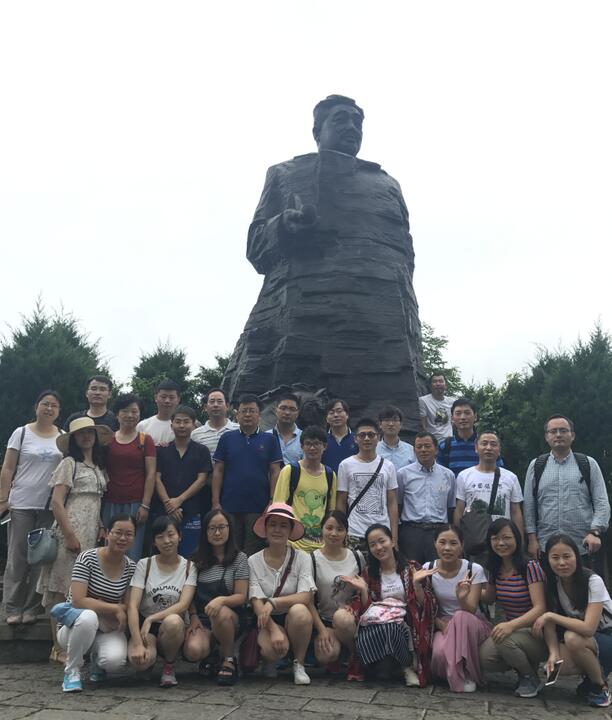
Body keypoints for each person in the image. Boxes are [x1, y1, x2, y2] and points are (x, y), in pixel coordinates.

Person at [222, 94, 422, 429]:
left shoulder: (387, 184)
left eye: (357, 122)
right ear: (317, 131)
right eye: (341, 119)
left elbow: (406, 256)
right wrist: (284, 224)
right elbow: (255, 247)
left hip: (380, 331)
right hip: (302, 320)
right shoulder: (285, 174)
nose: (351, 127)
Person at [38, 417, 112, 663]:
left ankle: (74, 643)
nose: (86, 437)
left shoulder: (98, 466)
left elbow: (96, 501)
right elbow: (57, 502)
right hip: (70, 528)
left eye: (90, 432)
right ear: (73, 439)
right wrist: (69, 534)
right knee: (61, 588)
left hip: (91, 532)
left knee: (79, 588)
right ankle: (57, 646)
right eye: (81, 433)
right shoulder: (69, 464)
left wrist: (101, 526)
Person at [0, 390, 63, 625]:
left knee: (42, 558)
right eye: (45, 404)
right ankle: (12, 607)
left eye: (54, 405)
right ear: (36, 406)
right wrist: (3, 498)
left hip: (49, 506)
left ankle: (32, 608)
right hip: (21, 503)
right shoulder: (22, 433)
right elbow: (8, 467)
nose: (49, 408)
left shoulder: (62, 437)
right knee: (17, 557)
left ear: (59, 411)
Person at [347, 523, 437, 687]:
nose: (378, 547)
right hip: (376, 626)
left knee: (391, 627)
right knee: (373, 633)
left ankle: (407, 666)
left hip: (406, 625)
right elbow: (365, 611)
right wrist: (364, 590)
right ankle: (381, 664)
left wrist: (417, 585)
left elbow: (426, 604)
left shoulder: (412, 568)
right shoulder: (369, 573)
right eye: (373, 544)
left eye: (382, 541)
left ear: (392, 541)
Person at [56, 513, 137, 693]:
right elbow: (78, 600)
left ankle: (97, 662)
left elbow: (127, 605)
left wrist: (98, 603)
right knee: (88, 617)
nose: (123, 538)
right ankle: (72, 671)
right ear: (107, 533)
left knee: (115, 661)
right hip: (73, 626)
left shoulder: (131, 567)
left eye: (129, 534)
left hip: (107, 626)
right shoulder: (87, 558)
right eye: (118, 532)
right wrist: (113, 607)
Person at [524, 415, 610, 576]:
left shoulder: (587, 464)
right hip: (546, 547)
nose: (558, 435)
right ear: (546, 437)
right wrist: (532, 539)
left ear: (573, 435)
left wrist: (595, 532)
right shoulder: (536, 466)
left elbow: (601, 502)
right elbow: (529, 506)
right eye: (553, 431)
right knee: (549, 590)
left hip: (583, 546)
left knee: (585, 589)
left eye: (563, 431)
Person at [533, 533, 612, 708]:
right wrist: (553, 653)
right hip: (587, 640)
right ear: (548, 560)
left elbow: (589, 628)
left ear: (576, 556)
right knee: (559, 665)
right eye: (555, 558)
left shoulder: (593, 581)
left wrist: (550, 615)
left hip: (606, 636)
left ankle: (600, 687)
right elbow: (550, 628)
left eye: (567, 556)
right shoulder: (553, 583)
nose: (562, 563)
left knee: (571, 637)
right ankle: (590, 678)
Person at [248, 503, 316, 685]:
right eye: (272, 524)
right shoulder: (253, 561)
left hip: (291, 614)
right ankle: (269, 660)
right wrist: (273, 629)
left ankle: (299, 663)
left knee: (300, 611)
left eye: (283, 525)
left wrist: (273, 602)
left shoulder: (302, 558)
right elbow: (256, 600)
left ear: (290, 531)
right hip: (266, 618)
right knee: (272, 649)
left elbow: (305, 596)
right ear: (265, 528)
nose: (277, 530)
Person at [479, 518, 548, 698]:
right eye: (495, 538)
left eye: (506, 538)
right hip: (515, 631)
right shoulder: (496, 568)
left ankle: (530, 677)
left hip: (537, 631)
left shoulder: (530, 567)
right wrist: (468, 591)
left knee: (503, 638)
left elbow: (540, 608)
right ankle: (523, 665)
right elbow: (490, 598)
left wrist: (511, 625)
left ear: (517, 539)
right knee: (485, 657)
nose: (501, 543)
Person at [127, 515, 197, 687]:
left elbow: (183, 604)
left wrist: (152, 619)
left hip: (172, 624)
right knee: (141, 662)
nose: (166, 541)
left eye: (171, 534)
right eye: (160, 537)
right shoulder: (144, 564)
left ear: (180, 536)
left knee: (173, 621)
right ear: (154, 542)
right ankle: (149, 659)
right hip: (146, 626)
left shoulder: (189, 567)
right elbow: (133, 605)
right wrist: (137, 642)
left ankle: (169, 666)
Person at [183, 509, 249, 685]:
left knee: (220, 612)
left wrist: (222, 600)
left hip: (231, 618)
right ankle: (212, 653)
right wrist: (193, 616)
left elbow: (241, 596)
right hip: (203, 618)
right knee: (193, 651)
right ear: (205, 532)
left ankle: (229, 659)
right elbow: (189, 593)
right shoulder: (196, 559)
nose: (217, 533)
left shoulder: (240, 558)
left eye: (221, 527)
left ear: (229, 529)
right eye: (212, 528)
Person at [212, 394, 282, 555]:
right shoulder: (227, 438)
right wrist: (215, 502)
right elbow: (218, 470)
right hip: (230, 504)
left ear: (259, 415)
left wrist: (272, 500)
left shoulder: (270, 439)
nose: (248, 415)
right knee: (231, 548)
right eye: (244, 411)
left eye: (252, 411)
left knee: (254, 549)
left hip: (259, 506)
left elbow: (275, 471)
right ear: (237, 415)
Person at [426, 525, 490, 692]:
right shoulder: (428, 569)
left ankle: (465, 675)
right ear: (435, 544)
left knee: (461, 616)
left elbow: (471, 610)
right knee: (439, 654)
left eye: (453, 543)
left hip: (471, 622)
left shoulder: (473, 570)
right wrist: (439, 623)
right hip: (444, 624)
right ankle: (453, 671)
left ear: (462, 545)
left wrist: (461, 597)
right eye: (442, 542)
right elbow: (425, 606)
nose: (447, 548)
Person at [308, 510, 366, 681]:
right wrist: (321, 630)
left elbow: (365, 590)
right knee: (326, 655)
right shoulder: (312, 559)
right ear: (321, 529)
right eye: (329, 528)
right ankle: (339, 655)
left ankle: (355, 655)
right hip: (326, 620)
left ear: (346, 532)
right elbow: (308, 601)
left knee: (342, 619)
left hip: (350, 619)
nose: (334, 533)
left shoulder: (357, 557)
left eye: (340, 529)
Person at [154, 405, 212, 557]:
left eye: (186, 422)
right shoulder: (162, 450)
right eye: (178, 421)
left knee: (191, 554)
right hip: (164, 511)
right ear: (171, 425)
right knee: (164, 551)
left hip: (192, 510)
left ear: (193, 425)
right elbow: (156, 478)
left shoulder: (202, 451)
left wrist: (179, 500)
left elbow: (202, 479)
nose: (181, 425)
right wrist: (169, 504)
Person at [103, 393, 156, 561]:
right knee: (110, 546)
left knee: (133, 549)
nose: (130, 415)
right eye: (125, 411)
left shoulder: (145, 440)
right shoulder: (107, 440)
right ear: (117, 414)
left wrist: (145, 505)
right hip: (110, 501)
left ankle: (130, 579)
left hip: (136, 503)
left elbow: (151, 473)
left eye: (134, 411)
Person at [272, 424, 336, 552]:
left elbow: (331, 510)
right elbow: (278, 505)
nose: (312, 448)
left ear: (324, 446)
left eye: (317, 444)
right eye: (308, 444)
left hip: (319, 545)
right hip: (292, 543)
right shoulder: (290, 471)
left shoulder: (330, 475)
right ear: (301, 447)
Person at [336, 418, 398, 549]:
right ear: (355, 438)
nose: (367, 439)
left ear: (378, 438)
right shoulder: (345, 465)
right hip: (354, 531)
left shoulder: (388, 466)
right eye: (362, 435)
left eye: (371, 435)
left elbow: (392, 502)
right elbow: (341, 501)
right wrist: (341, 532)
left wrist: (394, 538)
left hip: (382, 532)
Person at [396, 432, 456, 564]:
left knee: (437, 570)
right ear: (414, 450)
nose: (423, 450)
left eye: (427, 446)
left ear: (436, 449)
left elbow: (451, 507)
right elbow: (398, 504)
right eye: (419, 447)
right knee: (411, 570)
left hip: (438, 532)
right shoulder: (403, 474)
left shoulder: (448, 475)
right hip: (411, 532)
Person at [454, 432, 524, 536]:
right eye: (484, 443)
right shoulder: (464, 476)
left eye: (493, 444)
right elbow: (459, 510)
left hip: (502, 537)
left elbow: (515, 512)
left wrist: (520, 540)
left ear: (499, 450)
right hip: (474, 536)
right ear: (476, 448)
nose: (489, 448)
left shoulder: (511, 477)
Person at [437, 398, 501, 477]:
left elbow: (499, 473)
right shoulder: (445, 446)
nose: (463, 417)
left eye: (467, 413)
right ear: (452, 418)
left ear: (475, 416)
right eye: (458, 413)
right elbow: (440, 476)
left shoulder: (487, 445)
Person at [191, 388, 239, 457]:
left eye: (219, 401)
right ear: (205, 407)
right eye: (212, 401)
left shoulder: (239, 430)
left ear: (227, 406)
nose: (215, 405)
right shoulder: (195, 434)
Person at [136, 379, 181, 446]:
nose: (167, 401)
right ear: (156, 398)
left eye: (171, 397)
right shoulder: (143, 426)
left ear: (178, 400)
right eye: (163, 397)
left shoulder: (184, 426)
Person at [321, 399, 358, 473]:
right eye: (331, 413)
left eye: (339, 411)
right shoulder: (321, 440)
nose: (336, 415)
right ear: (327, 418)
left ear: (347, 415)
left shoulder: (357, 439)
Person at [266, 392, 303, 465]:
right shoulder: (266, 436)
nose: (287, 412)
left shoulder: (304, 438)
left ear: (298, 413)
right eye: (283, 408)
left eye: (292, 409)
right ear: (275, 410)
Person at [376, 405, 415, 471]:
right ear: (380, 424)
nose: (391, 424)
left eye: (395, 420)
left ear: (401, 424)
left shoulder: (411, 450)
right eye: (387, 420)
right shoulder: (373, 450)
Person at [419, 373, 456, 441]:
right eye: (435, 381)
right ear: (430, 385)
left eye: (441, 381)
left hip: (448, 440)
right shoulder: (423, 401)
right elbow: (423, 424)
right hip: (432, 441)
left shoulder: (452, 402)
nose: (438, 384)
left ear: (445, 385)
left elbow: (453, 422)